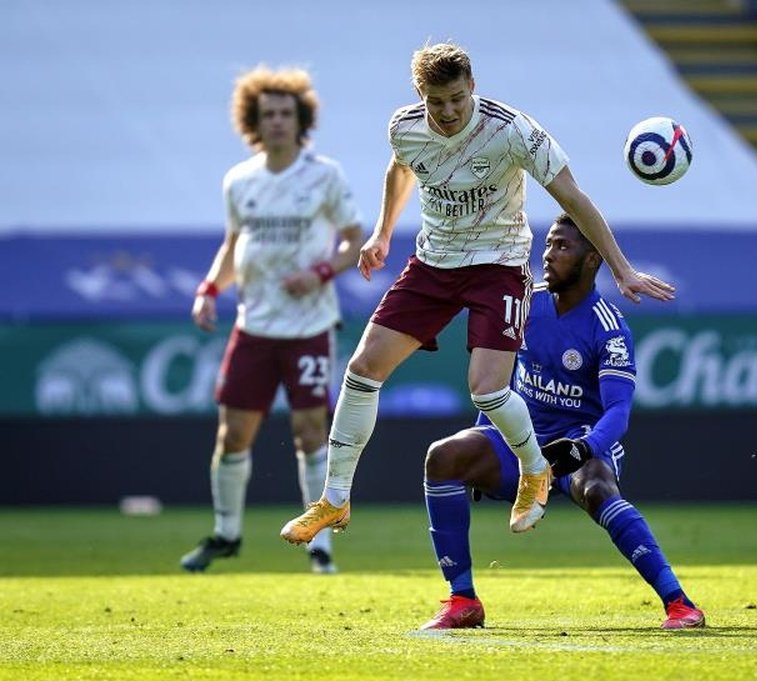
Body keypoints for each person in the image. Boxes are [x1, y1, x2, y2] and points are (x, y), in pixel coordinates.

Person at [280, 41, 675, 546]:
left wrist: (621, 269)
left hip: (498, 265)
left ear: (472, 89)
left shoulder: (512, 132)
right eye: (435, 102)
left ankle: (535, 471)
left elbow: (574, 196)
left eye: (456, 100)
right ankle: (333, 500)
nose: (446, 112)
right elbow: (401, 167)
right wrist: (382, 233)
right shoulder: (405, 127)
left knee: (486, 390)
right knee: (361, 372)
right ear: (421, 96)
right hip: (434, 263)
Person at [419, 214, 705, 630]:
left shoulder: (608, 328)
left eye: (562, 247)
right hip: (520, 440)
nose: (548, 256)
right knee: (444, 457)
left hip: (579, 441)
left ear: (592, 261)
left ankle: (679, 604)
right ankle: (462, 600)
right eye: (549, 245)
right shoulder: (524, 305)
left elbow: (618, 413)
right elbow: (495, 386)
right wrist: (482, 433)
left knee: (597, 488)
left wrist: (584, 449)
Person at [180, 66, 363, 573]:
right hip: (253, 326)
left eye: (286, 113)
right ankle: (226, 533)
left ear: (301, 119)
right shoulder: (239, 180)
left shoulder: (325, 175)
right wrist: (209, 289)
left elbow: (354, 240)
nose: (278, 122)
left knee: (309, 433)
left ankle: (320, 543)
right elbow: (235, 246)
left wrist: (321, 270)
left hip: (308, 326)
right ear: (254, 122)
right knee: (232, 435)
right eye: (269, 115)